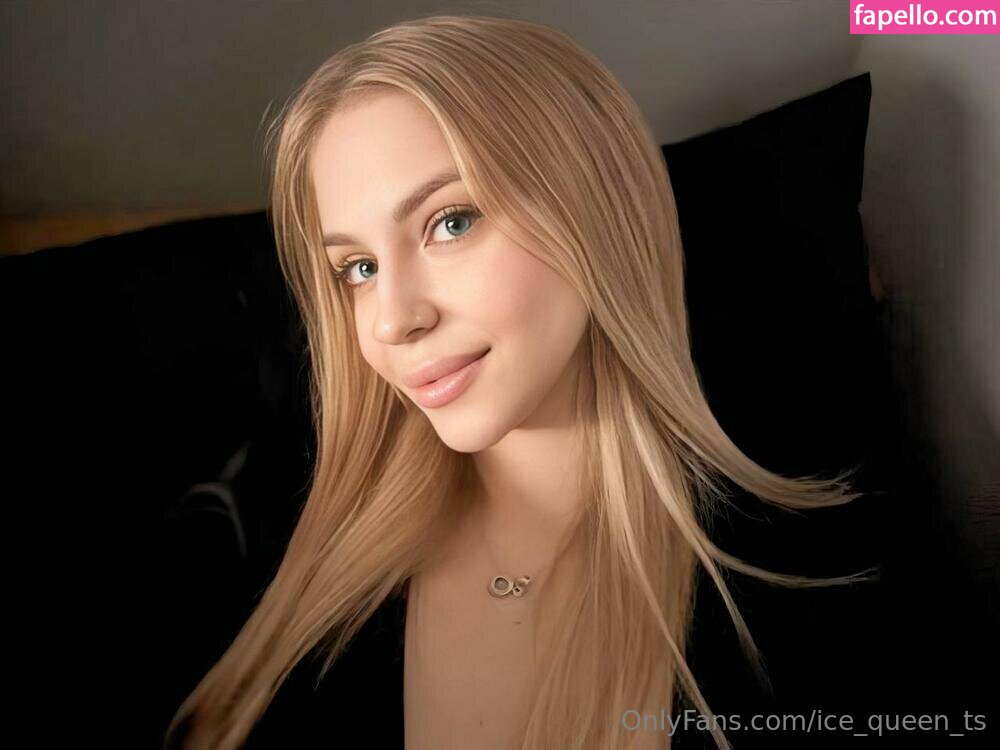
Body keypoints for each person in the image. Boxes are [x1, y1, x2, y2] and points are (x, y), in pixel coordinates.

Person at [165, 14, 874, 750]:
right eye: (359, 268)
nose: (392, 320)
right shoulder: (266, 557)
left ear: (596, 208)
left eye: (450, 222)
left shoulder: (809, 588)